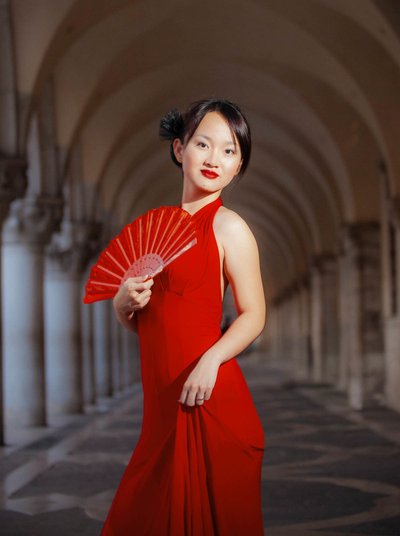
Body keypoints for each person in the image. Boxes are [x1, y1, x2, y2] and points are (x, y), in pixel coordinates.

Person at [101, 98, 266, 535]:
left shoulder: (229, 227)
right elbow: (146, 323)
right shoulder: (155, 228)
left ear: (238, 166)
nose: (214, 159)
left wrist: (211, 361)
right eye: (203, 144)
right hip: (160, 407)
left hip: (207, 397)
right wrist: (122, 305)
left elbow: (254, 315)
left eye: (230, 150)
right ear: (179, 149)